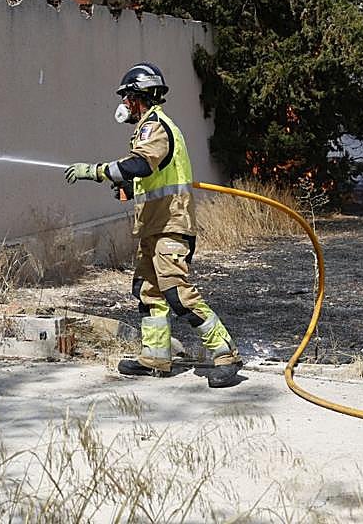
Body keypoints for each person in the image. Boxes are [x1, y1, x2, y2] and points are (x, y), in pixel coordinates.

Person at [64, 63, 241, 388]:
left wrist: (97, 170)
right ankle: (156, 356)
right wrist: (130, 188)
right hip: (153, 228)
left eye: (127, 98)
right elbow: (154, 175)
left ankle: (225, 353)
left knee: (176, 292)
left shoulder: (155, 126)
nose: (124, 105)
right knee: (149, 293)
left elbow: (142, 164)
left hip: (171, 227)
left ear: (136, 97)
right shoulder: (149, 127)